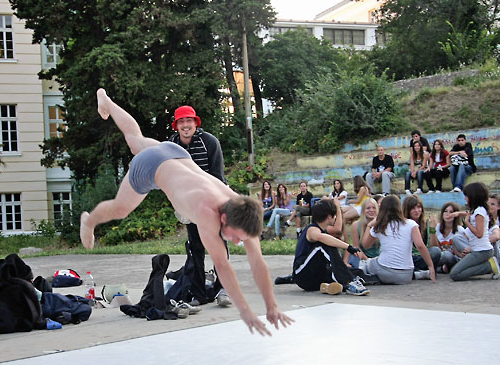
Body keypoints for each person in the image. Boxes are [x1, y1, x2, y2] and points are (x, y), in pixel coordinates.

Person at [81, 89, 294, 335]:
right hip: (152, 166)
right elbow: (223, 267)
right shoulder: (207, 211)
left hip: (176, 154)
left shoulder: (243, 210)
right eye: (235, 236)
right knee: (121, 207)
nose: (237, 242)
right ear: (223, 217)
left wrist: (271, 306)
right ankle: (89, 221)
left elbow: (258, 263)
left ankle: (106, 100)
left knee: (135, 139)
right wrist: (246, 312)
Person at [168, 104, 232, 307]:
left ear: (195, 123)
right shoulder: (171, 145)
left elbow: (217, 176)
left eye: (189, 121)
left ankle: (224, 289)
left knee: (218, 245)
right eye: (181, 122)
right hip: (189, 203)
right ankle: (199, 294)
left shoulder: (209, 142)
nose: (186, 125)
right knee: (195, 248)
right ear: (176, 126)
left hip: (212, 198)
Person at [292, 199, 369, 296]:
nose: (336, 217)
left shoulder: (323, 230)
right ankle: (348, 282)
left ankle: (327, 286)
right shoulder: (311, 229)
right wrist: (348, 247)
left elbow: (334, 231)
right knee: (325, 244)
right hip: (303, 275)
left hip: (316, 279)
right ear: (329, 217)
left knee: (356, 272)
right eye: (335, 215)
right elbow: (321, 237)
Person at [361, 195, 436, 285]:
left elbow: (365, 245)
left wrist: (369, 226)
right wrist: (430, 266)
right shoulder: (411, 224)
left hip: (385, 271)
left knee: (366, 264)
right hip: (406, 275)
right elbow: (420, 245)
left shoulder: (380, 225)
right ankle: (419, 274)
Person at [449, 182, 500, 281]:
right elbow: (468, 214)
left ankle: (489, 266)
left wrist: (467, 222)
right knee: (458, 272)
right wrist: (458, 214)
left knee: (455, 274)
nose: (465, 198)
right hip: (477, 249)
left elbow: (479, 234)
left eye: (466, 196)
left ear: (473, 197)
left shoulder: (479, 212)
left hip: (482, 251)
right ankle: (488, 265)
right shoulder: (477, 210)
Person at [430, 202, 465, 273]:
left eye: (451, 212)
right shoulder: (437, 227)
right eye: (445, 211)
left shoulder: (460, 230)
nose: (448, 214)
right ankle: (441, 269)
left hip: (454, 258)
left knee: (447, 255)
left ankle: (435, 268)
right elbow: (435, 248)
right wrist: (432, 230)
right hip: (440, 257)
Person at [347, 198, 380, 269]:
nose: (371, 210)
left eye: (374, 208)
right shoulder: (356, 225)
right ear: (363, 211)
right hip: (363, 257)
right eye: (368, 208)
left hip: (380, 258)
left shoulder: (383, 224)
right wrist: (368, 260)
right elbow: (356, 247)